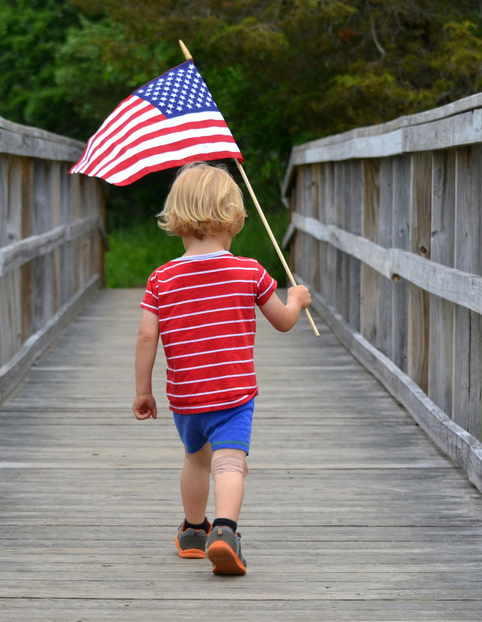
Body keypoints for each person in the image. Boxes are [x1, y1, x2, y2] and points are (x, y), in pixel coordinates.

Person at [132, 162, 312, 576]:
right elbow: (283, 321)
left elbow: (146, 339)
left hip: (186, 398)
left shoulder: (161, 278)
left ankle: (195, 531)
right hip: (233, 394)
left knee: (195, 461)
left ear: (175, 219)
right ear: (234, 218)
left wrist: (143, 390)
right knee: (229, 463)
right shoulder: (249, 271)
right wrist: (297, 300)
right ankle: (226, 531)